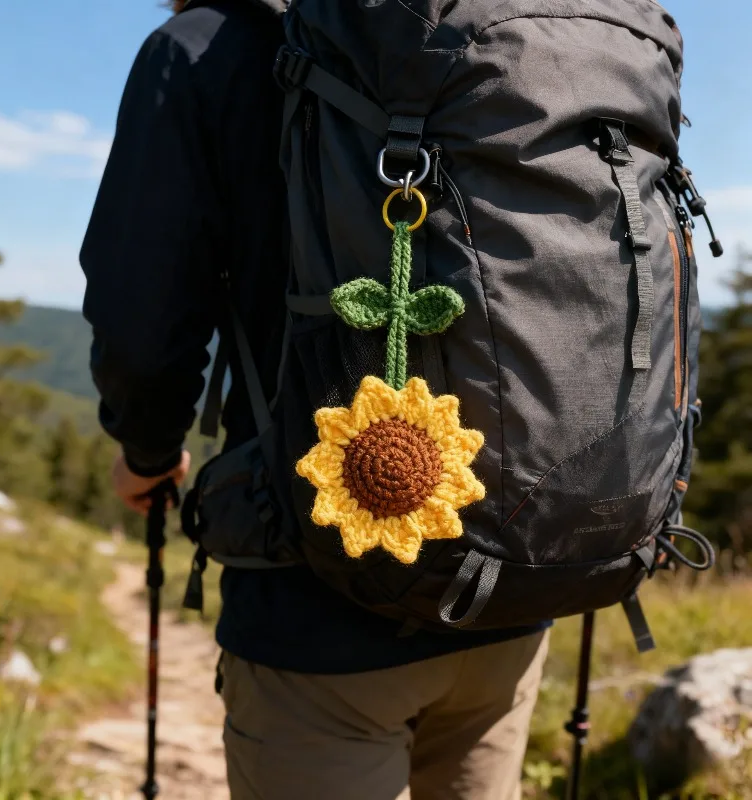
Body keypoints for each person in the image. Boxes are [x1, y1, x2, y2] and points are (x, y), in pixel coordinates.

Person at [80, 1, 550, 798]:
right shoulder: (500, 27)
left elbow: (142, 316)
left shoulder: (202, 48)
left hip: (316, 601)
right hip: (511, 579)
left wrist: (147, 455)